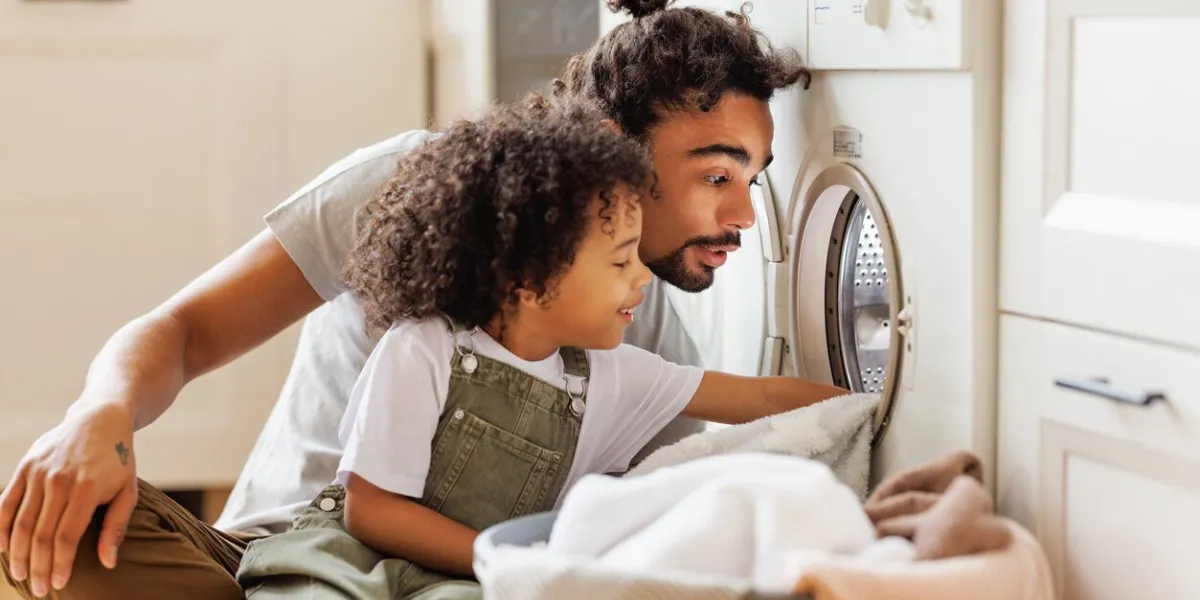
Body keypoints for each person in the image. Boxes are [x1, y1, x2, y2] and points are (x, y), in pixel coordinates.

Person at [0, 1, 815, 598]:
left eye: (753, 181)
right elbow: (185, 331)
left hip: (449, 586)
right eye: (716, 173)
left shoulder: (641, 340)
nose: (743, 216)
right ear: (614, 146)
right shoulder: (423, 188)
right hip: (279, 559)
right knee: (49, 528)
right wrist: (99, 414)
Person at [234, 94, 847, 600]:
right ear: (529, 278)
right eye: (620, 261)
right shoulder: (423, 350)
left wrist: (867, 407)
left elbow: (760, 397)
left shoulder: (609, 372)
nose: (642, 277)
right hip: (353, 562)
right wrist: (503, 557)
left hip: (464, 582)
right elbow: (371, 511)